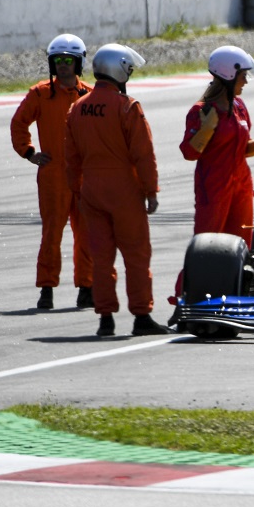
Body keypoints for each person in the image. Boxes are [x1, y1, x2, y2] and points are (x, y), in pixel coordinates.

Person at [64, 44, 168, 337]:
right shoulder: (127, 107)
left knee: (101, 257)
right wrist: (151, 191)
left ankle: (105, 317)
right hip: (124, 190)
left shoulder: (77, 107)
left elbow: (70, 157)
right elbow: (143, 154)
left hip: (91, 190)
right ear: (119, 68)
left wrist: (78, 191)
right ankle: (141, 316)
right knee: (136, 255)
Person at [10, 33, 93, 310]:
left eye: (69, 60)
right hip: (52, 174)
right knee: (51, 234)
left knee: (87, 234)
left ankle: (87, 287)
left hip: (84, 176)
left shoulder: (91, 96)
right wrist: (30, 152)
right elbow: (19, 124)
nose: (63, 65)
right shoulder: (40, 93)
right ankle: (47, 289)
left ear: (79, 62)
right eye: (58, 60)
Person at [179, 46, 254, 250]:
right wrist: (206, 129)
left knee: (240, 247)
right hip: (213, 189)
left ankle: (237, 283)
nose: (245, 82)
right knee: (206, 247)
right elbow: (189, 153)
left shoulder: (239, 106)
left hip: (242, 187)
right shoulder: (202, 110)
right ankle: (192, 283)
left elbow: (242, 149)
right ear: (229, 75)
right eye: (243, 76)